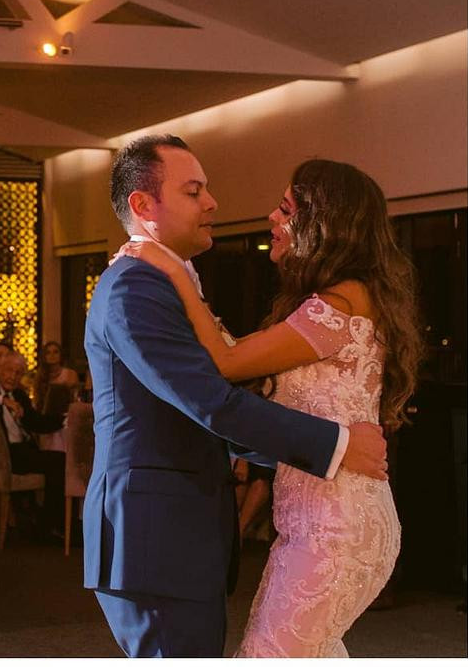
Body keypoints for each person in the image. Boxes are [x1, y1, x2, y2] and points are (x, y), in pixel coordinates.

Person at [83, 134, 389, 657]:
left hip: (182, 535)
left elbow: (203, 405)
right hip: (154, 538)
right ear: (143, 205)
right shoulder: (136, 285)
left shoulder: (168, 279)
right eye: (193, 191)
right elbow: (211, 403)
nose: (212, 203)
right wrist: (335, 445)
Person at [0, 352, 65, 539]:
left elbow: (36, 422)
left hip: (22, 450)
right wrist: (3, 400)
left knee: (59, 461)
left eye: (18, 373)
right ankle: (48, 525)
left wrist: (64, 419)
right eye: (8, 371)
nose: (12, 377)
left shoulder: (20, 394)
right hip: (2, 455)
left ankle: (47, 523)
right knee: (58, 462)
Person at [33, 340, 79, 417]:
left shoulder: (70, 374)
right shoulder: (40, 375)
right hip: (45, 415)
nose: (52, 355)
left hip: (66, 415)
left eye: (55, 352)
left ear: (61, 355)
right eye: (48, 353)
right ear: (44, 356)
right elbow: (37, 400)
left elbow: (74, 399)